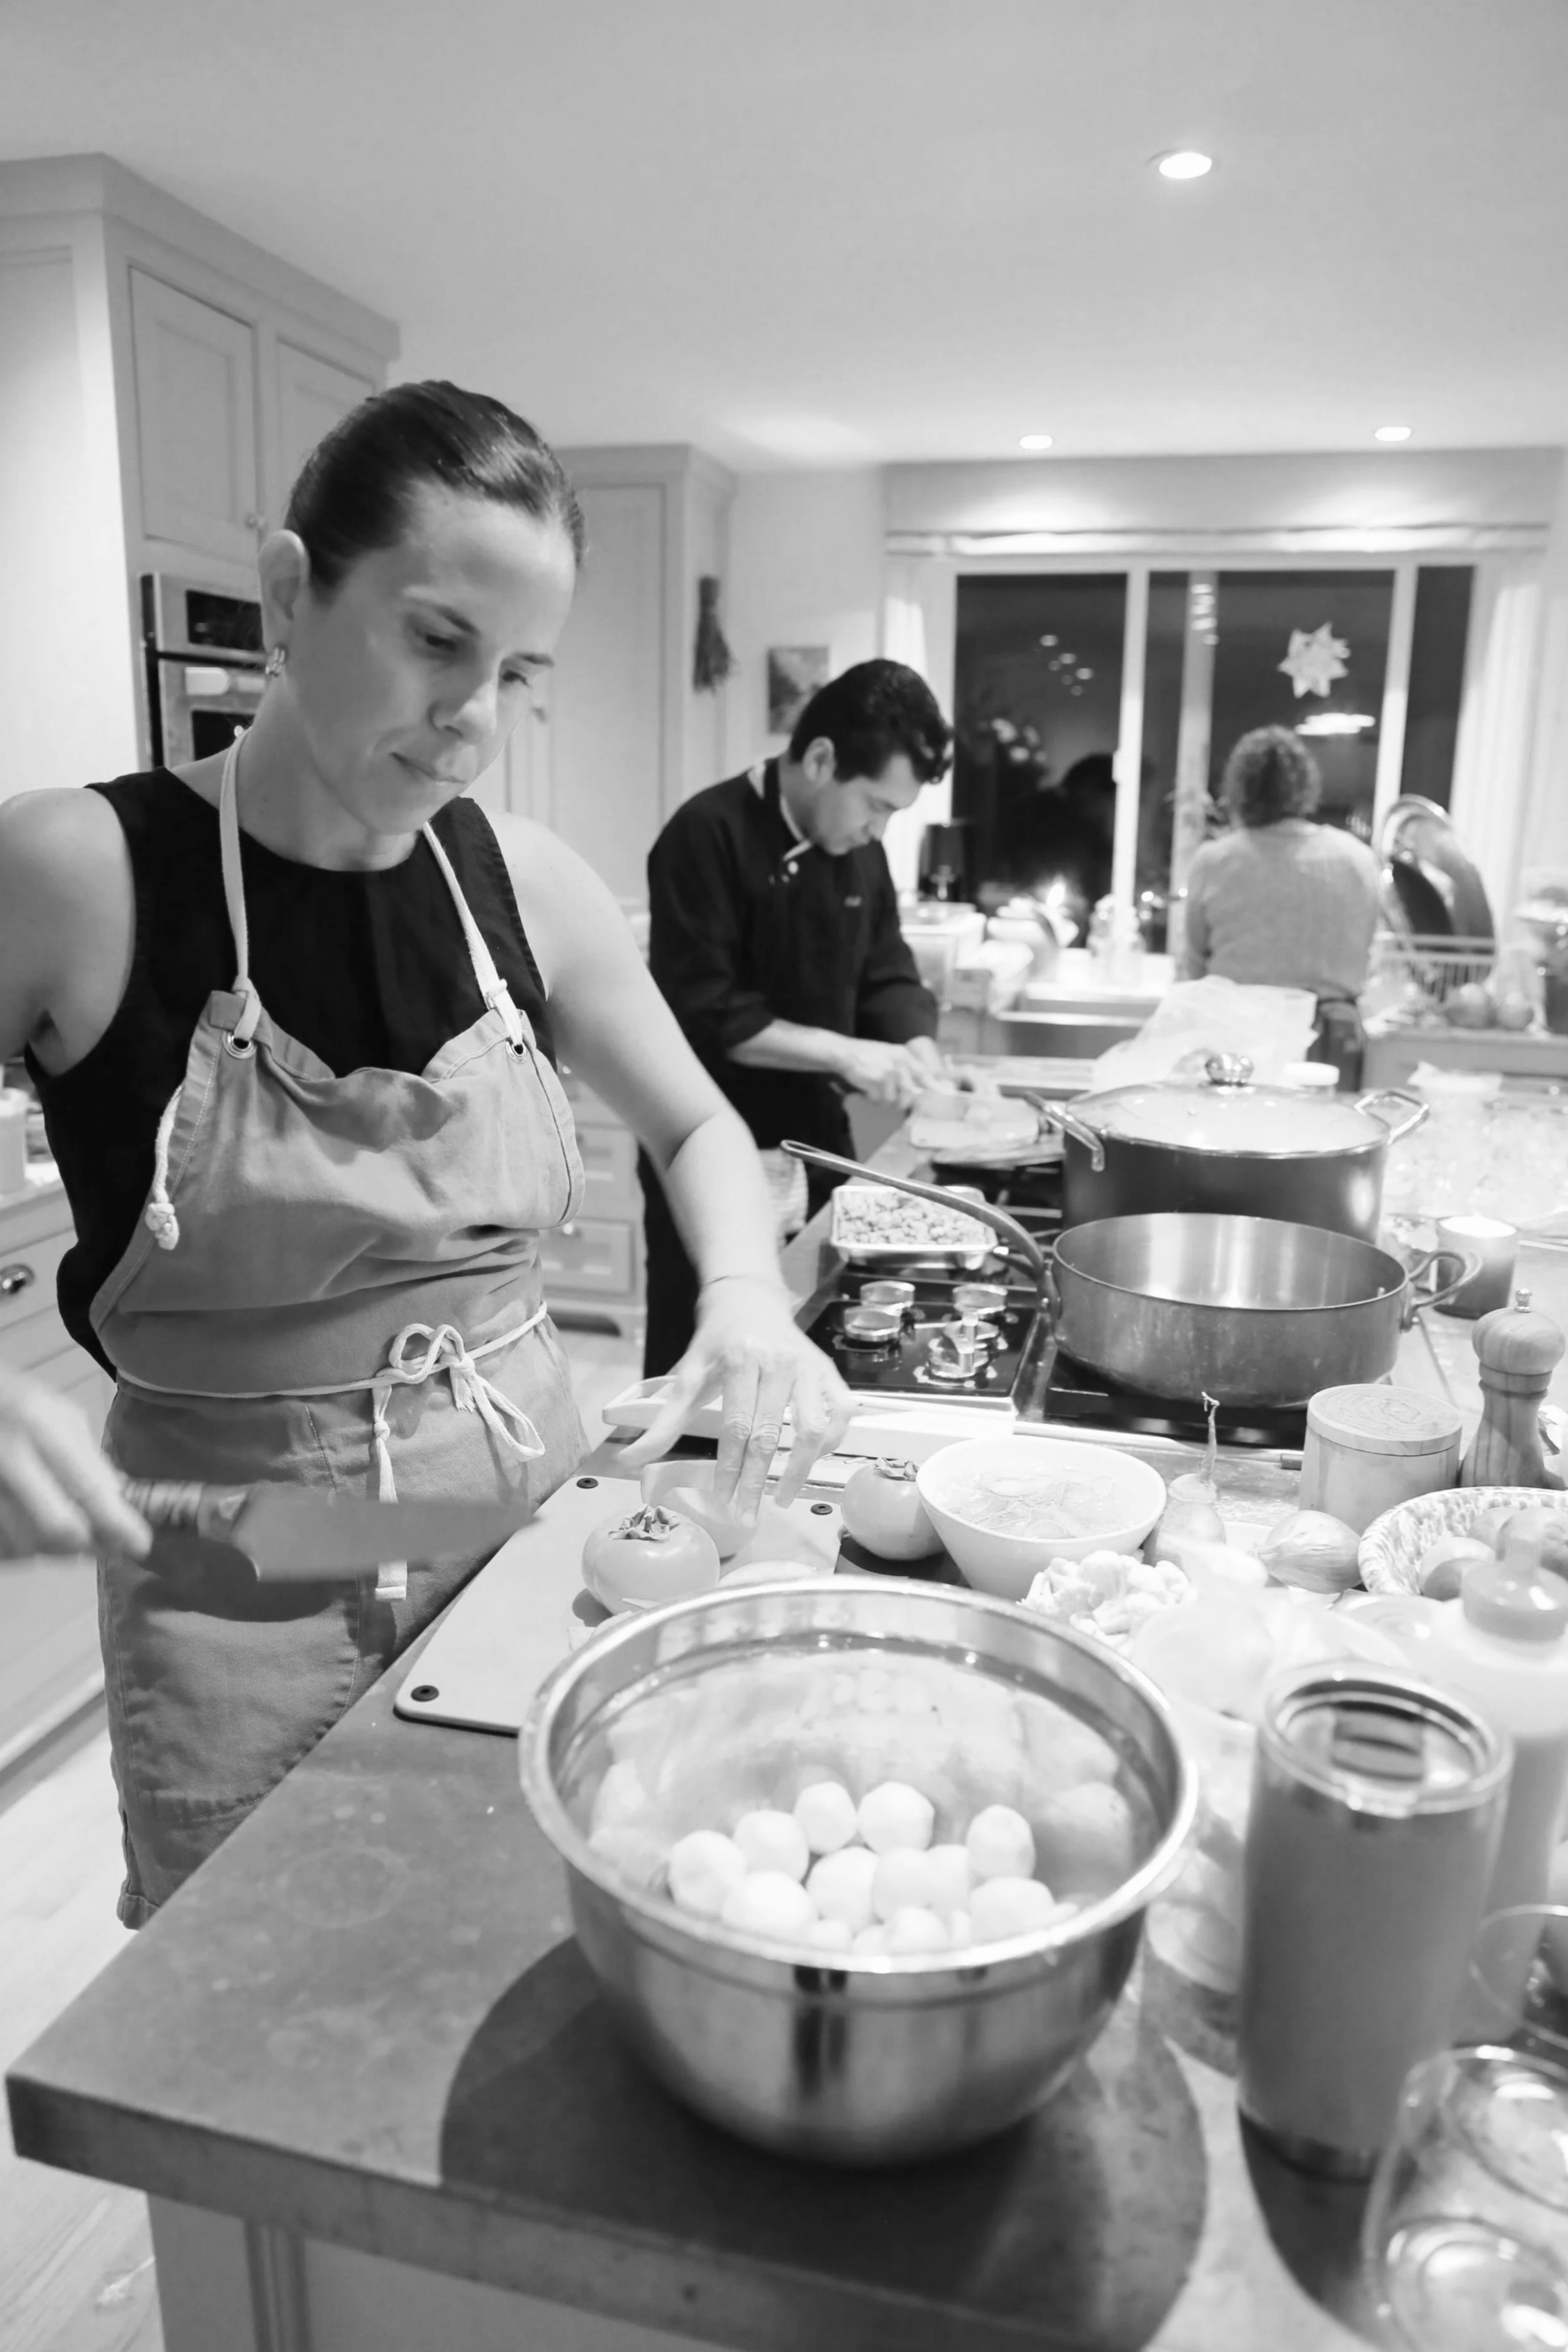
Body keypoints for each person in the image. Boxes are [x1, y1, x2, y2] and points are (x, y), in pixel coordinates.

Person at [0, 381, 851, 1923]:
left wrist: (739, 1292)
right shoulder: (80, 872)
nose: (474, 719)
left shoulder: (524, 881)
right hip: (231, 1576)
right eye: (436, 639)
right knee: (246, 2017)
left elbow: (698, 1121)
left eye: (518, 673)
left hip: (522, 1517)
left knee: (514, 1936)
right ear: (286, 591)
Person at [640, 660, 953, 1375]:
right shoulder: (705, 835)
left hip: (817, 1143)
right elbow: (707, 1011)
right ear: (819, 759)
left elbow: (886, 970)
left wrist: (917, 1049)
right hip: (711, 1150)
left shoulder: (857, 855)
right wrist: (845, 1055)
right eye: (875, 804)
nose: (878, 829)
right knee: (703, 1355)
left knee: (820, 1335)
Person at [1179, 726, 1384, 1081]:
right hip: (1330, 1048)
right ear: (1305, 786)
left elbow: (1195, 967)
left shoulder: (1215, 861)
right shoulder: (1357, 858)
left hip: (1237, 1048)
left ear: (1238, 789)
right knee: (1331, 1134)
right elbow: (1364, 952)